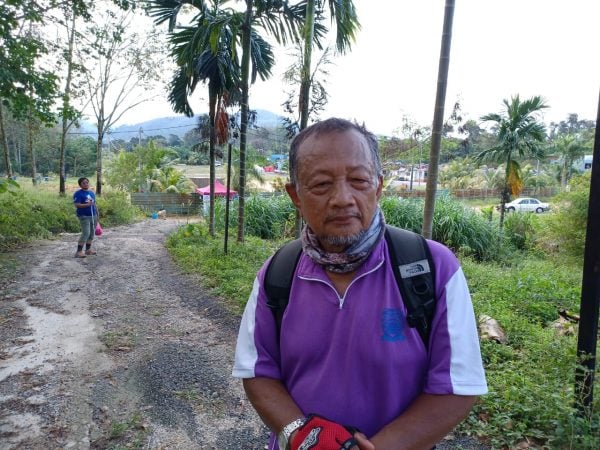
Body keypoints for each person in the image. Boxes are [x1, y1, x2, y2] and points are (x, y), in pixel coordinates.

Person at [232, 118, 487, 450]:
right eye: (322, 184)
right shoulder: (277, 273)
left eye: (358, 180)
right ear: (295, 195)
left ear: (378, 187)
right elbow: (258, 371)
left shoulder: (432, 267)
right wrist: (302, 434)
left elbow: (457, 386)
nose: (342, 198)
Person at [73, 177, 98, 258]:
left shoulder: (91, 193)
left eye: (87, 182)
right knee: (86, 233)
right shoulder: (78, 193)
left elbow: (94, 204)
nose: (86, 184)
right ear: (80, 185)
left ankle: (88, 250)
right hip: (84, 216)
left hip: (93, 215)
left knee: (91, 233)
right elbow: (77, 204)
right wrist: (86, 205)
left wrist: (97, 214)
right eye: (83, 183)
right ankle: (79, 252)